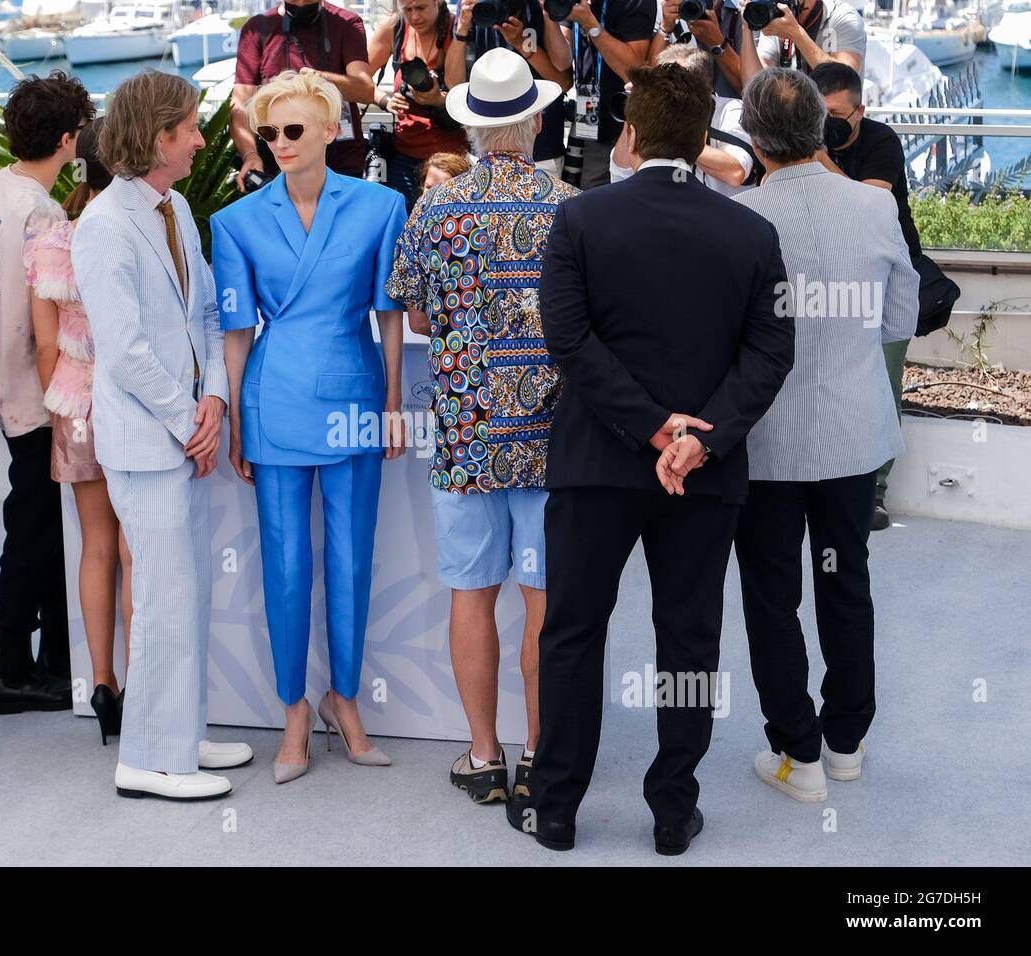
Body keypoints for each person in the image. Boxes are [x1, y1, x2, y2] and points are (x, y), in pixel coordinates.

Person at [518, 62, 794, 853]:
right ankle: (673, 808)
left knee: (572, 632)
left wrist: (649, 427)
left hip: (595, 467)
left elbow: (568, 342)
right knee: (688, 639)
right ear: (705, 140)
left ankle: (561, 804)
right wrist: (697, 438)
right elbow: (772, 354)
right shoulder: (752, 231)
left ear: (628, 135)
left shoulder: (579, 222)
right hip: (703, 478)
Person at [387, 48, 578, 808]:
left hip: (467, 437)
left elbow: (417, 317)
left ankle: (483, 755)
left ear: (469, 128)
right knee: (542, 602)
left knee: (471, 596)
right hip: (550, 439)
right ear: (533, 121)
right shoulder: (568, 205)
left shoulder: (434, 209)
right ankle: (539, 753)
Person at [213, 70, 408, 785]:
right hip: (273, 401)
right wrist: (236, 420)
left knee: (353, 559)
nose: (282, 144)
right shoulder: (233, 223)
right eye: (270, 132)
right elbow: (236, 331)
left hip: (355, 395)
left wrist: (392, 404)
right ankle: (293, 711)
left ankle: (345, 701)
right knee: (287, 566)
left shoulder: (382, 206)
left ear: (332, 130)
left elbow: (390, 314)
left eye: (295, 129)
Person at [732, 67, 918, 801]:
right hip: (851, 433)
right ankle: (846, 740)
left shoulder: (741, 214)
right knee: (846, 584)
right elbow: (900, 320)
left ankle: (796, 753)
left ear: (752, 136)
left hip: (766, 441)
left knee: (770, 596)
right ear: (824, 127)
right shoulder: (875, 210)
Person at [71, 70, 252, 801]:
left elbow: (205, 315)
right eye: (189, 130)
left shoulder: (174, 205)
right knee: (166, 601)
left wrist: (213, 399)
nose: (202, 141)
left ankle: (178, 733)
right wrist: (190, 422)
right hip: (147, 446)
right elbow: (124, 349)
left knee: (187, 594)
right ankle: (146, 759)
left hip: (181, 434)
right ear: (156, 138)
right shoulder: (104, 225)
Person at [0, 71, 95, 715]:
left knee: (34, 523)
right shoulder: (39, 210)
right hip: (37, 388)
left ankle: (45, 659)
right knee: (35, 530)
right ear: (70, 138)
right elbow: (53, 304)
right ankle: (13, 669)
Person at [26, 116, 132, 745]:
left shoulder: (50, 241)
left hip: (72, 404)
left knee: (95, 545)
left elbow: (44, 345)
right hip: (128, 402)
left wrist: (58, 406)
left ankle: (101, 681)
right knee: (133, 547)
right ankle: (144, 683)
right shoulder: (128, 230)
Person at [811, 60, 922, 531]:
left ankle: (874, 490)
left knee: (884, 375)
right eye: (818, 116)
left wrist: (815, 155)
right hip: (830, 278)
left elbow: (868, 205)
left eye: (836, 116)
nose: (828, 126)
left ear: (860, 111)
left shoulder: (882, 142)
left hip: (885, 279)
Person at [233, 1, 374, 190]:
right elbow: (241, 103)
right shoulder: (257, 28)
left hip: (342, 162)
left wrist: (320, 80)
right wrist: (250, 154)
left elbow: (365, 90)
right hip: (280, 163)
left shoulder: (347, 23)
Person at [446, 0, 573, 175]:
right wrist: (461, 29)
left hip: (539, 150)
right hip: (482, 149)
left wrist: (521, 42)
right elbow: (454, 83)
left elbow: (563, 82)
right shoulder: (475, 7)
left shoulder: (540, 8)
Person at [610, 45, 756, 194]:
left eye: (673, 83)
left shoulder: (730, 110)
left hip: (717, 213)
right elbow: (621, 174)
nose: (664, 91)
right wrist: (632, 111)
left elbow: (736, 172)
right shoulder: (655, 112)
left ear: (702, 86)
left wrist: (677, 135)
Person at [366, 0, 469, 208]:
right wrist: (385, 100)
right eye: (407, 9)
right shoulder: (395, 27)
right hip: (405, 154)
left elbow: (460, 89)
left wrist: (438, 99)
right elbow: (359, 79)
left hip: (451, 158)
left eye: (421, 8)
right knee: (399, 224)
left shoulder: (458, 28)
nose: (414, 17)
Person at [561, 0, 655, 187]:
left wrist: (591, 24)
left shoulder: (634, 3)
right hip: (587, 113)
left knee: (605, 197)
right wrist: (549, 15)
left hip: (623, 123)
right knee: (579, 191)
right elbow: (561, 61)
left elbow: (633, 72)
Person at [648, 0, 747, 98]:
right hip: (681, 108)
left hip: (731, 109)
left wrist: (717, 42)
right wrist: (665, 28)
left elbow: (752, 88)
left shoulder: (744, 12)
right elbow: (649, 83)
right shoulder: (666, 9)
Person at [751, 0, 866, 77]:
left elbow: (846, 79)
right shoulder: (777, 16)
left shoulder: (844, 17)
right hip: (791, 111)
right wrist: (746, 26)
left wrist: (796, 34)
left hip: (831, 112)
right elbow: (758, 79)